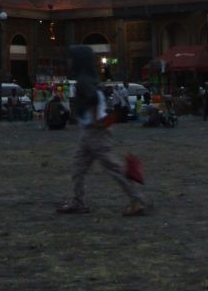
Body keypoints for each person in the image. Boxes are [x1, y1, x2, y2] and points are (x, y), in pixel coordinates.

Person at [57, 45, 146, 217]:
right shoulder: (88, 78)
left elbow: (93, 100)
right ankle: (77, 201)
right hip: (90, 131)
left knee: (113, 167)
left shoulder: (83, 81)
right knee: (78, 167)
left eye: (71, 58)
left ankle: (137, 200)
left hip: (95, 131)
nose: (69, 61)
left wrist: (97, 121)